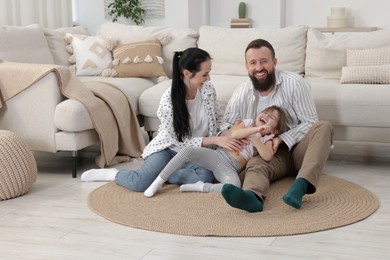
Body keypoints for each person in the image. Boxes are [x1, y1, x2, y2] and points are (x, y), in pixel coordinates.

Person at [81, 47, 244, 192]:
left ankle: (167, 173)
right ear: (187, 74)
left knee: (206, 176)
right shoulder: (169, 100)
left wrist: (231, 129)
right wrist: (215, 140)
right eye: (205, 74)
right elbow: (179, 141)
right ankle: (113, 174)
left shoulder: (207, 90)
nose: (209, 78)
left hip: (194, 153)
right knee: (140, 184)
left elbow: (216, 119)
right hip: (169, 149)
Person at [221, 39, 334, 212]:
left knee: (324, 126)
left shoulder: (295, 83)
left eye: (264, 61)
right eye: (253, 63)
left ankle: (301, 186)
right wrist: (237, 134)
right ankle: (252, 197)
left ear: (274, 62)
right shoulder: (241, 93)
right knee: (256, 164)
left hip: (297, 150)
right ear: (247, 67)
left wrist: (281, 139)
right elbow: (226, 126)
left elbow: (311, 122)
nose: (259, 68)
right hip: (268, 154)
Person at [144, 105, 287, 197]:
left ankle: (201, 187)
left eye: (271, 118)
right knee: (187, 151)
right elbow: (235, 135)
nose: (267, 116)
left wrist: (255, 136)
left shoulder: (267, 139)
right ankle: (158, 181)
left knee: (235, 186)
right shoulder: (248, 123)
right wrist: (256, 129)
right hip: (217, 156)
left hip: (230, 168)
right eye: (265, 113)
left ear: (274, 130)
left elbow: (267, 156)